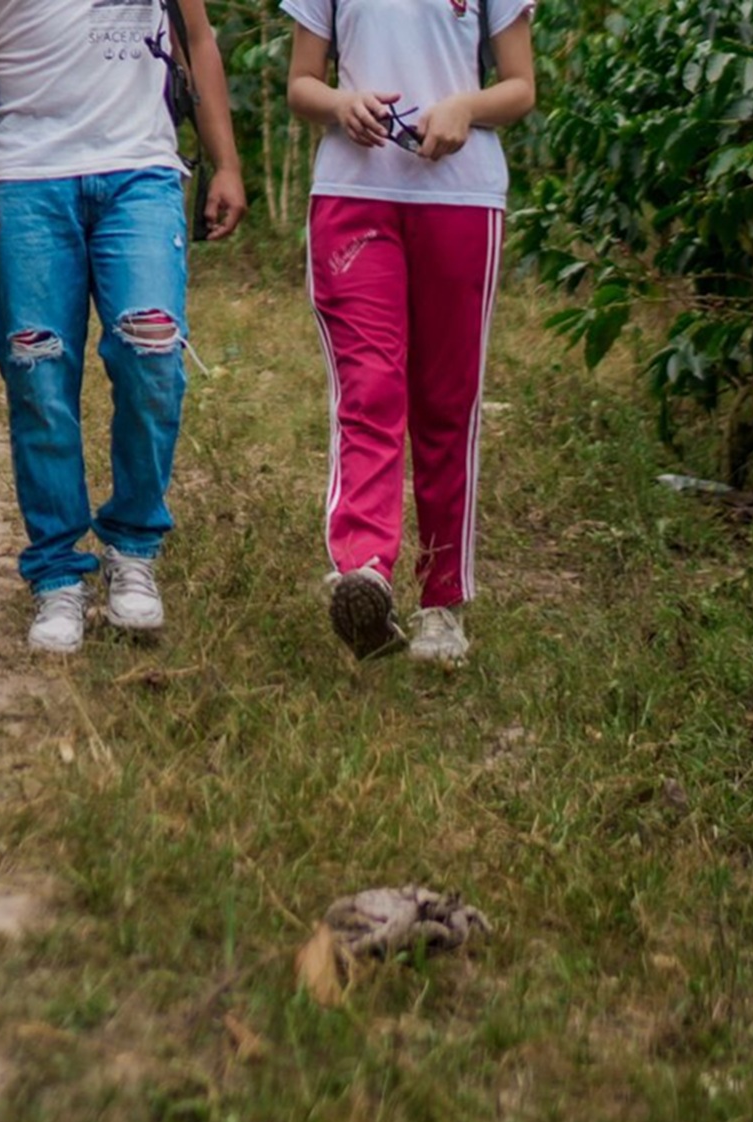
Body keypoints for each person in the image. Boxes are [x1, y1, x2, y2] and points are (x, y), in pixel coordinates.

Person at [0, 0, 247, 654]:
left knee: (152, 353)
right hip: (27, 173)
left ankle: (133, 547)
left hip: (141, 170)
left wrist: (227, 163)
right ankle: (57, 572)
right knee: (38, 375)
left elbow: (197, 37)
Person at [282, 0, 536, 666]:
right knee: (368, 386)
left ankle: (442, 604)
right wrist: (341, 104)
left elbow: (520, 87)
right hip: (352, 195)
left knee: (446, 406)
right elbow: (301, 82)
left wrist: (465, 109)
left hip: (461, 198)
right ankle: (363, 570)